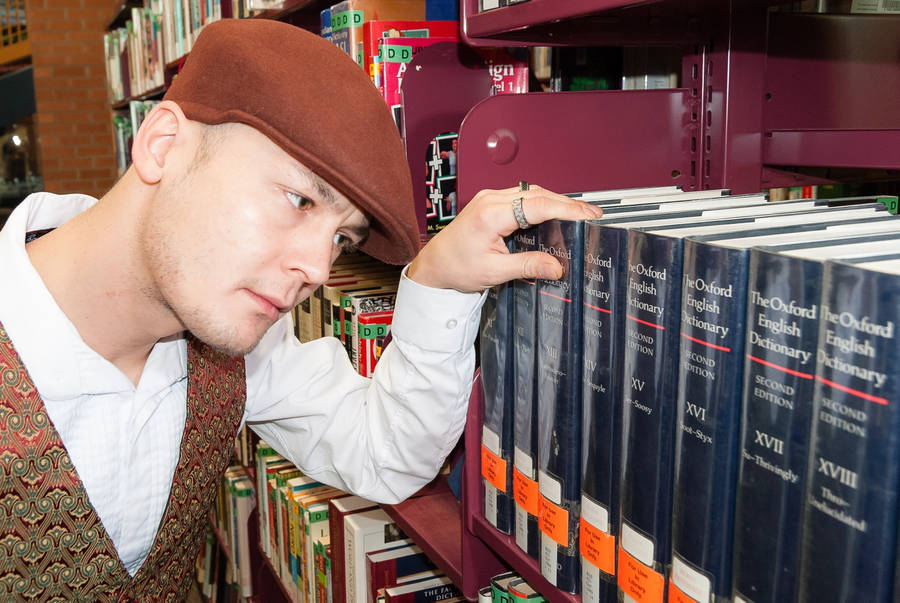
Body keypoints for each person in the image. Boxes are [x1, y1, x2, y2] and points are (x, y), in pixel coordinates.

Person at [0, 19, 602, 600]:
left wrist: (438, 284)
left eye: (342, 238)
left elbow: (384, 453)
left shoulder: (240, 344)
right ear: (164, 145)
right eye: (299, 199)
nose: (318, 269)